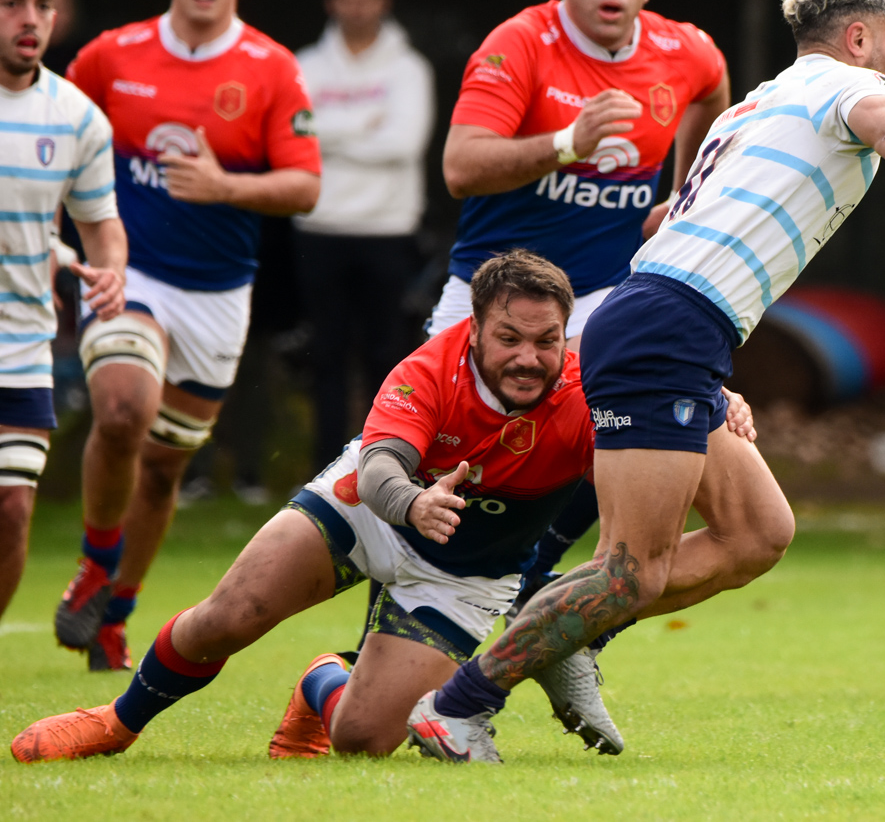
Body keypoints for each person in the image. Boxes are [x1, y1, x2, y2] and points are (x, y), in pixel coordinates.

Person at [401, 0, 885, 763]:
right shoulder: (844, 90)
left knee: (756, 532)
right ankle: (458, 706)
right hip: (666, 327)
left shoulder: (760, 103)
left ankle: (569, 631)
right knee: (631, 570)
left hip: (674, 324)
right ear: (858, 36)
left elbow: (661, 220)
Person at [12, 250, 750, 763]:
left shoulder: (592, 382)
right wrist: (412, 501)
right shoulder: (430, 367)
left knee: (365, 739)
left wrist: (722, 400)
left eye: (546, 340)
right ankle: (114, 723)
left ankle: (322, 679)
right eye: (509, 338)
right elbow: (379, 466)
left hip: (465, 575)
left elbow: (666, 402)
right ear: (475, 329)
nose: (529, 356)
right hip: (366, 511)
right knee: (226, 616)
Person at [429, 0, 732, 603]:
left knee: (628, 433)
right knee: (452, 477)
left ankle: (539, 580)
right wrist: (570, 143)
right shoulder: (521, 43)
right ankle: (398, 630)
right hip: (489, 291)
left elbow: (711, 89)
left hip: (601, 293)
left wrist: (683, 198)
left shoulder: (681, 49)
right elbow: (460, 166)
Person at [52, 0, 321, 671]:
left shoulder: (271, 67)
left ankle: (116, 611)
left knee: (166, 463)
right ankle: (96, 563)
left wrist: (221, 185)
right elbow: (53, 132)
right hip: (129, 271)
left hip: (218, 295)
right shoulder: (111, 57)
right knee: (123, 409)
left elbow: (304, 187)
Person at [0, 0, 126, 620]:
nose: (30, 19)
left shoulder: (76, 117)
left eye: (42, 5)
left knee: (13, 506)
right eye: (11, 3)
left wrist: (109, 274)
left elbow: (100, 224)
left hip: (21, 337)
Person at [294, 0, 434, 469]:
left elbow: (403, 144)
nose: (356, 8)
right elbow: (296, 137)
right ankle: (325, 473)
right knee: (326, 359)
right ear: (331, 2)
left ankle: (380, 465)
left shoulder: (409, 69)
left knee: (386, 358)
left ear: (383, 2)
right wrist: (365, 124)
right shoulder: (303, 65)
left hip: (388, 230)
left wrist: (329, 135)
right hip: (319, 229)